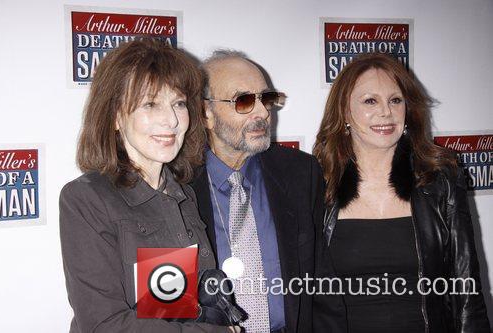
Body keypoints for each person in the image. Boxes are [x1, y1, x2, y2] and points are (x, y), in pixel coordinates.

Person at [59, 39, 239, 333]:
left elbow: (177, 303)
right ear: (116, 116)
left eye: (178, 103)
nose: (170, 120)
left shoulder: (184, 193)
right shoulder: (87, 198)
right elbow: (105, 325)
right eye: (150, 104)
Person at [313, 52, 490, 332]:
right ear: (344, 112)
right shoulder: (316, 185)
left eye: (395, 100)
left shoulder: (439, 180)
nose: (386, 112)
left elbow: (466, 286)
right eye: (370, 101)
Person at [190, 50, 344, 333]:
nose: (263, 112)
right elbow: (164, 303)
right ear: (206, 113)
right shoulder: (175, 185)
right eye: (244, 101)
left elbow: (322, 282)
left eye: (267, 98)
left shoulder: (301, 172)